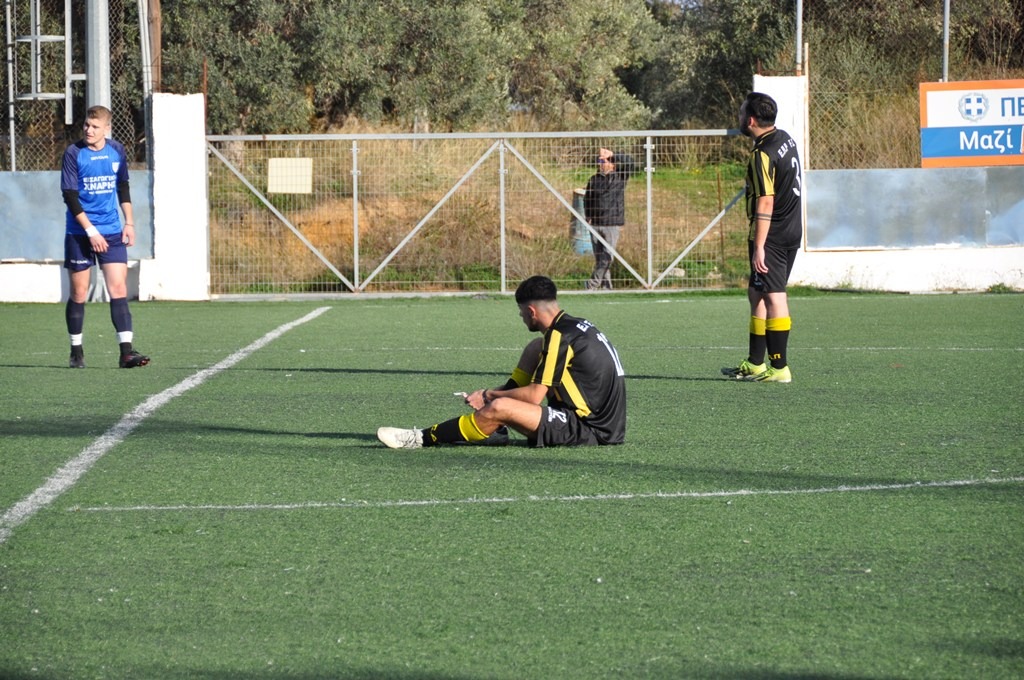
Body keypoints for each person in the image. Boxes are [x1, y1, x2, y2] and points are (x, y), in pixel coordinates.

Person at [377, 275, 627, 449]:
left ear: (531, 311)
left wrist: (489, 395)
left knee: (500, 407)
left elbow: (534, 396)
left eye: (521, 312)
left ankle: (420, 438)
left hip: (589, 430)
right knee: (535, 348)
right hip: (603, 422)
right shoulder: (575, 325)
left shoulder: (559, 336)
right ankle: (494, 429)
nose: (521, 316)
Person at [722, 92, 803, 383]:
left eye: (742, 113)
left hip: (773, 234)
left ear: (751, 121)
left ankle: (779, 367)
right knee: (756, 292)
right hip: (791, 227)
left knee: (774, 295)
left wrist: (759, 246)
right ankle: (756, 362)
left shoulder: (762, 154)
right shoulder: (785, 138)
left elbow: (766, 200)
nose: (739, 117)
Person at [61, 105, 149, 369]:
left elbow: (123, 186)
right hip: (80, 233)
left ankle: (126, 353)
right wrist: (91, 231)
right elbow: (70, 197)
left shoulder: (117, 150)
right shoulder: (73, 153)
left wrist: (129, 222)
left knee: (118, 288)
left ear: (106, 129)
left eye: (95, 126)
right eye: (87, 125)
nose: (89, 130)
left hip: (111, 230)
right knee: (79, 292)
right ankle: (76, 350)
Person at [583, 147, 636, 290]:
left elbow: (631, 163)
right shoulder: (594, 179)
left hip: (612, 223)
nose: (600, 163)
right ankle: (607, 288)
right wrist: (588, 216)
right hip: (595, 224)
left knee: (607, 256)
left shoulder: (620, 177)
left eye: (603, 161)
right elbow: (587, 199)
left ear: (612, 164)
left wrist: (613, 154)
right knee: (600, 258)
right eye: (599, 161)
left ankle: (592, 284)